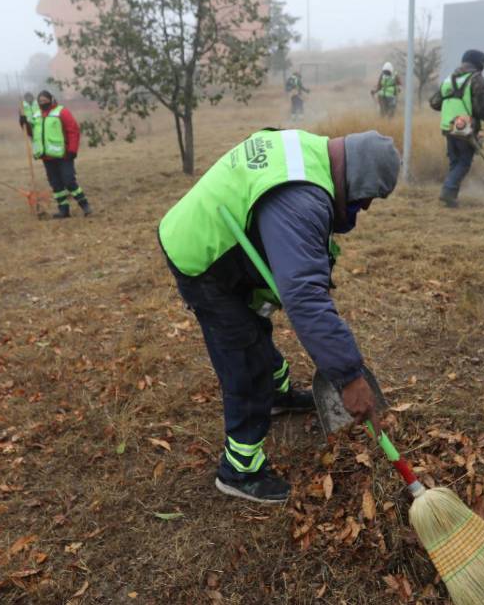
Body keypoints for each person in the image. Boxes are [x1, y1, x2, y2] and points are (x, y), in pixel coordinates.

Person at [159, 129, 401, 504]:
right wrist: (349, 376)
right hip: (202, 256)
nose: (365, 207)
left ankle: (278, 395)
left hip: (226, 234)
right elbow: (304, 297)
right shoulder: (302, 200)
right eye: (367, 197)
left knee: (254, 325)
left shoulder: (310, 150)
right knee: (245, 356)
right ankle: (239, 470)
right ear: (355, 178)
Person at [429, 49, 484, 208]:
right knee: (464, 162)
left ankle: (451, 198)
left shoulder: (448, 80)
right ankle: (447, 191)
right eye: (483, 62)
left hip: (448, 126)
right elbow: (481, 109)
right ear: (477, 62)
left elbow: (434, 103)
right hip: (465, 128)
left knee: (455, 161)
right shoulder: (477, 79)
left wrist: (452, 105)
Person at [32, 90, 91, 218]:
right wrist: (23, 122)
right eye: (40, 101)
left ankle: (84, 205)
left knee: (69, 180)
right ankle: (63, 210)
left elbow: (73, 131)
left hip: (64, 155)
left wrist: (72, 150)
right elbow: (34, 133)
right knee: (56, 184)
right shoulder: (36, 115)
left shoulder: (62, 112)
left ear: (51, 99)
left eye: (45, 100)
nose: (43, 103)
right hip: (47, 156)